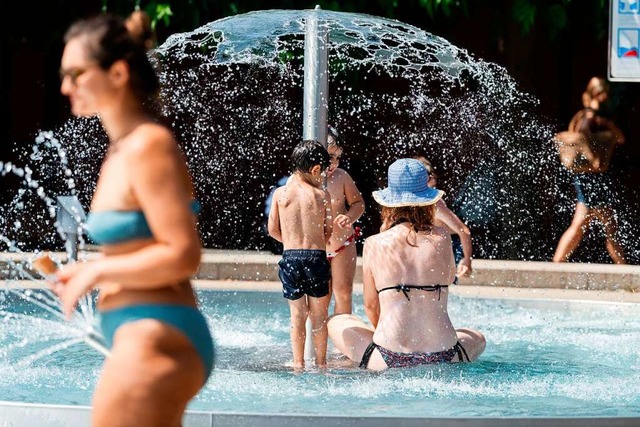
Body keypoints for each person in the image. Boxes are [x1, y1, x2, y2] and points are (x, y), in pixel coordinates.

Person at [52, 13, 213, 426]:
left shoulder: (149, 145)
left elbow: (183, 254)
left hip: (155, 336)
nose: (65, 86)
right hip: (141, 334)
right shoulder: (121, 152)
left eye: (75, 73)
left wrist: (97, 270)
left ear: (118, 72)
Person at [328, 158, 485, 371]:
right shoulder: (442, 238)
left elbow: (371, 306)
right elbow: (449, 279)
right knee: (477, 337)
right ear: (427, 200)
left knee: (338, 320)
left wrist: (385, 332)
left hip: (387, 357)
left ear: (389, 202)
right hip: (446, 354)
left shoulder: (375, 243)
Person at [267, 139, 333, 368]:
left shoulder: (279, 194)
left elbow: (272, 230)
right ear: (316, 169)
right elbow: (329, 231)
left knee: (297, 315)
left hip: (291, 257)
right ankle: (322, 363)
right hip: (316, 257)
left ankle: (298, 363)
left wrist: (292, 244)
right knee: (319, 317)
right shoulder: (322, 196)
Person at [553, 77, 626, 264]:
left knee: (581, 225)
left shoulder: (595, 116)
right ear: (598, 94)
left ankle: (557, 263)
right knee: (609, 227)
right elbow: (586, 136)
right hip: (591, 177)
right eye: (604, 93)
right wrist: (593, 157)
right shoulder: (590, 116)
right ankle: (624, 267)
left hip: (587, 177)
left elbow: (619, 138)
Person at [325, 126, 365, 314]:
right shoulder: (306, 180)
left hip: (343, 244)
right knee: (320, 297)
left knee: (343, 292)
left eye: (338, 157)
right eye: (330, 156)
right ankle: (320, 340)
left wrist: (349, 217)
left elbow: (359, 204)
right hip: (318, 248)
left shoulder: (342, 177)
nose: (334, 163)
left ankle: (341, 340)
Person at [414, 155, 472, 278]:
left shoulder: (434, 204)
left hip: (449, 246)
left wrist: (467, 260)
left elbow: (464, 231)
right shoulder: (412, 202)